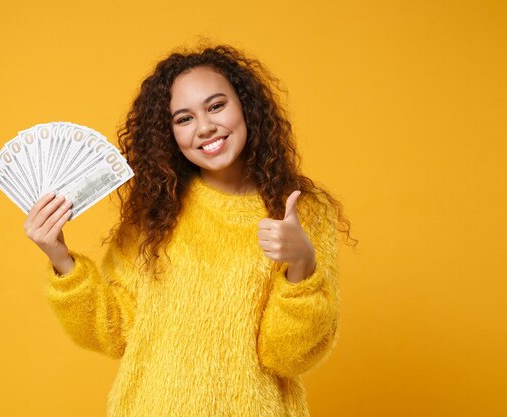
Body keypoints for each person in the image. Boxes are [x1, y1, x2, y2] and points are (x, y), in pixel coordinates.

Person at [24, 44, 355, 417]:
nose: (205, 127)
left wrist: (302, 266)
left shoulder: (304, 212)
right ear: (169, 134)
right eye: (184, 118)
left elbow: (287, 357)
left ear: (246, 106)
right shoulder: (157, 212)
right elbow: (114, 330)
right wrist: (60, 258)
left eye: (216, 106)